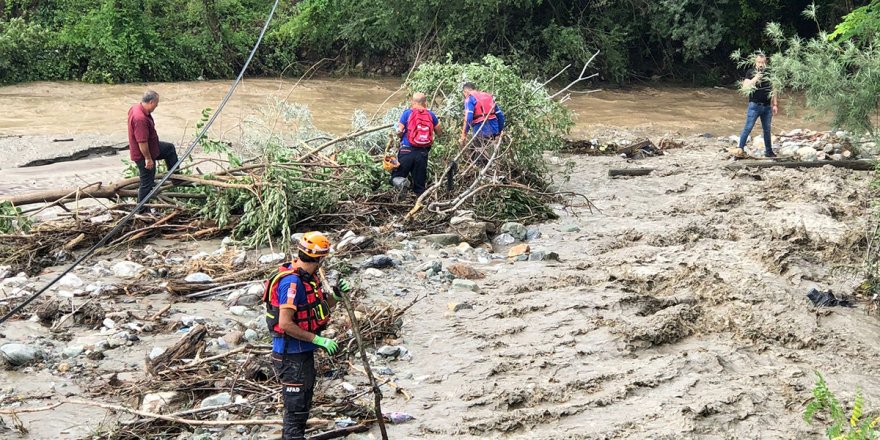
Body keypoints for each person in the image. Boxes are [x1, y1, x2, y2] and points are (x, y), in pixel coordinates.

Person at [264, 232, 348, 440]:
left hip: (302, 354)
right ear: (319, 259)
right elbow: (285, 323)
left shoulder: (308, 279)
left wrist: (335, 296)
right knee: (295, 413)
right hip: (290, 355)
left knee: (302, 409)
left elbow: (315, 309)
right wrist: (317, 339)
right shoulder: (291, 283)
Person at [127, 90, 179, 203]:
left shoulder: (136, 108)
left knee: (169, 149)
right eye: (156, 103)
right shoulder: (140, 118)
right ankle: (141, 210)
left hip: (153, 147)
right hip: (143, 154)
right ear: (151, 102)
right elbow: (142, 142)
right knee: (146, 183)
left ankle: (175, 177)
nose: (157, 106)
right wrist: (148, 159)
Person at [391, 92, 440, 196]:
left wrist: (399, 133)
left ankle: (401, 199)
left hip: (406, 150)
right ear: (425, 102)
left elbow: (399, 133)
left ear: (412, 102)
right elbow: (439, 132)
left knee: (397, 177)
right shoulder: (431, 115)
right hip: (422, 152)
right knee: (419, 184)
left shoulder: (407, 113)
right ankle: (419, 204)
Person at [737, 54, 779, 157]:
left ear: (765, 63)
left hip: (767, 106)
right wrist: (755, 78)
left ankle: (769, 151)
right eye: (759, 62)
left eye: (762, 62)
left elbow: (774, 89)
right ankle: (739, 150)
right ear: (755, 62)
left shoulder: (769, 73)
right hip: (754, 105)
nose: (761, 64)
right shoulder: (750, 72)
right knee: (748, 127)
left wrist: (775, 104)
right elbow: (745, 87)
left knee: (767, 129)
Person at [460, 82, 505, 161]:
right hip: (494, 130)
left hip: (480, 131)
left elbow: (469, 117)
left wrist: (464, 134)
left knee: (479, 155)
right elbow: (500, 115)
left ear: (465, 92)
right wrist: (499, 131)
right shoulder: (488, 96)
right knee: (489, 154)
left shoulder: (470, 98)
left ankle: (480, 170)